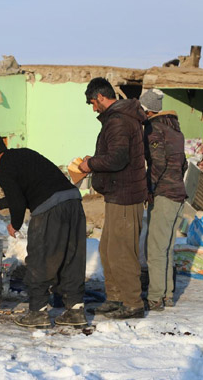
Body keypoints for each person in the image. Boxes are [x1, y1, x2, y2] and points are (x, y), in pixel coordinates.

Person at [0, 132, 87, 328]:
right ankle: (76, 310)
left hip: (50, 210)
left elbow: (19, 203)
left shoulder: (5, 169)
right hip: (73, 201)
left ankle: (37, 312)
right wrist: (2, 203)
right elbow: (31, 188)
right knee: (72, 258)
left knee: (40, 258)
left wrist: (15, 224)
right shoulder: (25, 154)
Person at [78, 77, 148, 319]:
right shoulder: (118, 119)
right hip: (117, 195)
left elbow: (117, 159)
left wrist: (90, 164)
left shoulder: (118, 121)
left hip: (126, 197)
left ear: (99, 97)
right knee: (107, 249)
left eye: (92, 103)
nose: (93, 108)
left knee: (122, 252)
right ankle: (116, 297)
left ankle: (132, 303)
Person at [140, 89, 187, 311]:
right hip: (179, 194)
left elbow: (157, 163)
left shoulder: (153, 128)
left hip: (164, 194)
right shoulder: (175, 130)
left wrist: (150, 189)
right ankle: (167, 295)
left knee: (156, 249)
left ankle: (155, 297)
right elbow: (184, 164)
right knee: (167, 247)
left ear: (147, 110)